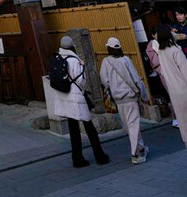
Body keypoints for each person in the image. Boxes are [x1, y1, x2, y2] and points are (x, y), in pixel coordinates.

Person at [50, 35, 110, 168]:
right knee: (89, 126)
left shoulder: (59, 58)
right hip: (76, 97)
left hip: (64, 97)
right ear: (72, 46)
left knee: (73, 129)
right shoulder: (74, 60)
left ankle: (77, 158)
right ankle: (99, 155)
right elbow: (81, 81)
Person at [100, 36, 149, 164]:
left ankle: (140, 148)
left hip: (118, 99)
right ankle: (136, 153)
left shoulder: (106, 61)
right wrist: (144, 95)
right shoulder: (126, 60)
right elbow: (136, 78)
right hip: (130, 97)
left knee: (128, 126)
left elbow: (104, 80)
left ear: (109, 48)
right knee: (133, 125)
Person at [156, 24, 187, 149]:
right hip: (184, 88)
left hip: (173, 90)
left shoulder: (161, 52)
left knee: (182, 119)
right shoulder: (175, 51)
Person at [146, 27, 178, 126]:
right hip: (165, 73)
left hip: (175, 72)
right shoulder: (152, 45)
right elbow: (155, 62)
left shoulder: (167, 43)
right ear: (153, 35)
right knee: (174, 95)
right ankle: (176, 118)